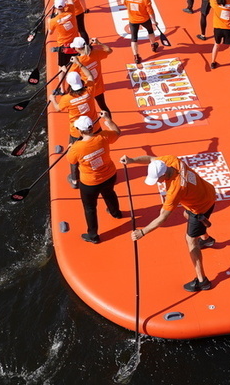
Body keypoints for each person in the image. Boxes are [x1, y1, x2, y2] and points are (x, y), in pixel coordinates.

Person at [120, 154, 218, 292]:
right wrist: (132, 160)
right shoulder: (170, 160)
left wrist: (142, 232)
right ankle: (206, 239)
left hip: (200, 207)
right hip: (206, 192)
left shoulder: (175, 189)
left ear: (164, 174)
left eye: (158, 179)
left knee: (190, 240)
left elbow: (163, 217)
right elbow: (150, 159)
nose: (158, 182)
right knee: (186, 214)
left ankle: (202, 281)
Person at [65, 113, 124, 244]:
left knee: (90, 208)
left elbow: (71, 160)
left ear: (80, 130)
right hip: (109, 175)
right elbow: (117, 132)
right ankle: (116, 213)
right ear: (92, 127)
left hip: (90, 183)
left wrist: (70, 148)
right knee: (109, 194)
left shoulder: (76, 148)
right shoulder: (103, 136)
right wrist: (108, 120)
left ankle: (93, 236)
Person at [122, 0, 159, 65]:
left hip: (133, 20)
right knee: (150, 31)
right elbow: (150, 11)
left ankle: (136, 56)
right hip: (145, 19)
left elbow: (125, 4)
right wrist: (154, 21)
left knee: (134, 38)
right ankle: (153, 45)